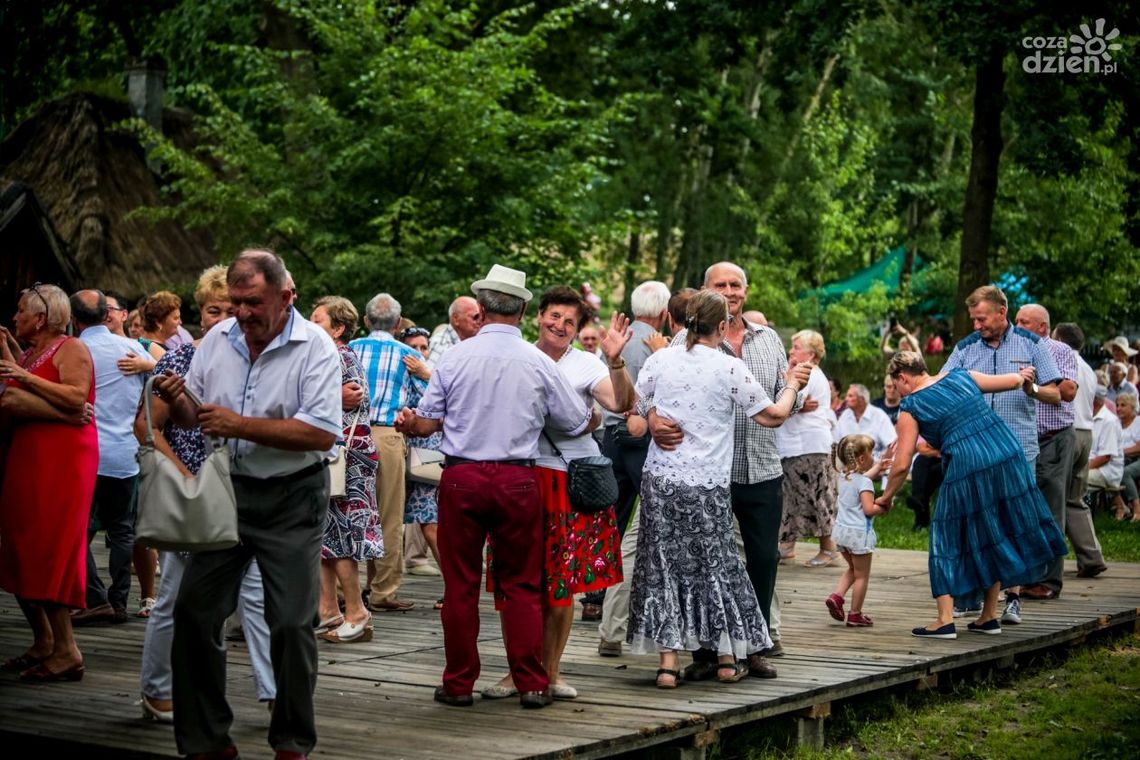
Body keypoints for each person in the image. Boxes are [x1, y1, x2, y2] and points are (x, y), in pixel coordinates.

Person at [155, 249, 341, 759]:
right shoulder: (216, 339)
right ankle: (207, 741)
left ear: (286, 297)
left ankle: (291, 741)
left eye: (252, 302)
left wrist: (237, 424)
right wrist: (178, 401)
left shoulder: (315, 347)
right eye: (233, 301)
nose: (241, 312)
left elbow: (321, 434)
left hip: (292, 497)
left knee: (289, 623)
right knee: (193, 613)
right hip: (227, 493)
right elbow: (198, 419)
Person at [395, 263, 597, 709]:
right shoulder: (538, 361)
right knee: (523, 583)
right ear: (524, 310)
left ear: (481, 310)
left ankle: (459, 682)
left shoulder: (454, 358)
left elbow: (429, 420)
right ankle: (530, 682)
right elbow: (575, 419)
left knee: (460, 585)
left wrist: (412, 424)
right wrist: (594, 418)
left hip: (462, 477)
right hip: (518, 479)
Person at [628, 290, 811, 687]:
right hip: (708, 483)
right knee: (719, 566)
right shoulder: (729, 368)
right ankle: (728, 658)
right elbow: (774, 416)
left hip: (660, 481)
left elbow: (635, 416)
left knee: (663, 567)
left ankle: (667, 665)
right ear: (723, 326)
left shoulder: (660, 360)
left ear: (683, 323)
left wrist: (655, 415)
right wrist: (794, 384)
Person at [133, 265, 276, 723]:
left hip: (243, 490)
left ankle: (274, 691)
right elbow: (147, 427)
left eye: (232, 309)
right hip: (194, 493)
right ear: (199, 312)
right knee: (175, 593)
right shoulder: (179, 360)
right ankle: (157, 689)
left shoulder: (254, 360)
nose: (223, 318)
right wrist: (183, 477)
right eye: (214, 310)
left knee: (256, 594)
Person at [483, 286, 632, 701]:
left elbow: (621, 403)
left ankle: (550, 671)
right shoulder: (516, 355)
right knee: (517, 580)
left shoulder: (586, 363)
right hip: (522, 476)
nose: (561, 326)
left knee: (560, 583)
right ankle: (517, 673)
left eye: (570, 321)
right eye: (554, 317)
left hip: (568, 483)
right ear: (538, 317)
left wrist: (616, 359)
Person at [876, 352, 1067, 640]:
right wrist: (1025, 374)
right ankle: (989, 616)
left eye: (896, 383)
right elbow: (1014, 380)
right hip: (1005, 452)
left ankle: (944, 620)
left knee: (946, 534)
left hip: (968, 464)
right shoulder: (963, 376)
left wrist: (887, 496)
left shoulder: (911, 406)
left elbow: (902, 463)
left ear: (903, 377)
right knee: (994, 530)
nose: (898, 389)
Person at [940, 285, 1061, 620]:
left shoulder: (1032, 344)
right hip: (975, 451)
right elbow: (942, 384)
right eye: (974, 320)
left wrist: (1031, 387)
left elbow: (1056, 394)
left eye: (981, 319)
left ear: (1001, 312)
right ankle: (978, 597)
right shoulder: (965, 348)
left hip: (1018, 448)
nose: (977, 326)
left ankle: (1013, 598)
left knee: (1015, 522)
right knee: (979, 521)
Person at [0, 283, 95, 682]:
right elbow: (11, 394)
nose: (15, 316)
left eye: (21, 311)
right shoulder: (32, 352)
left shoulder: (70, 348)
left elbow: (76, 397)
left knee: (49, 547)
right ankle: (43, 641)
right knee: (21, 544)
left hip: (62, 460)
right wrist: (13, 360)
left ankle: (67, 649)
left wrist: (22, 377)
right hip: (30, 456)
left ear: (41, 318)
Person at [595, 280, 670, 656]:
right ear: (663, 312)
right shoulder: (661, 347)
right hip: (644, 439)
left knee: (613, 519)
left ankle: (596, 596)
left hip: (611, 437)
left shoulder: (616, 339)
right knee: (653, 523)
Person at [70, 290, 147, 626]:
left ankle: (95, 597)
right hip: (125, 453)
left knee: (78, 529)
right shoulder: (132, 349)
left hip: (86, 453)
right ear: (106, 315)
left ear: (74, 319)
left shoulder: (74, 350)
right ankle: (117, 602)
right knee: (122, 530)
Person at [311, 296, 384, 643]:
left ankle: (356, 610)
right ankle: (329, 611)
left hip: (344, 457)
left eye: (318, 320)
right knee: (326, 534)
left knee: (339, 534)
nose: (310, 326)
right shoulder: (331, 355)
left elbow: (353, 398)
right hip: (335, 455)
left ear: (338, 328)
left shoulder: (338, 356)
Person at [349, 293, 426, 613]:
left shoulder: (349, 349)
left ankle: (344, 590)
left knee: (350, 509)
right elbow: (426, 401)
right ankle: (382, 591)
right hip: (389, 436)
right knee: (389, 514)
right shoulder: (409, 355)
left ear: (366, 321)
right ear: (398, 324)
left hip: (352, 433)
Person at [1014, 304, 1079, 602]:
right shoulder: (1010, 349)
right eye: (1015, 320)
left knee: (1051, 509)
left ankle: (1049, 581)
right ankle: (1023, 579)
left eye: (1024, 322)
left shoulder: (1059, 350)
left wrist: (1034, 383)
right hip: (1023, 440)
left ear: (1042, 327)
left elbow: (1066, 392)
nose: (1017, 325)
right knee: (1023, 509)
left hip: (1054, 439)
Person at [1051, 322, 1107, 577]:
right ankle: (1091, 555)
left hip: (1067, 433)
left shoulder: (1060, 362)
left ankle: (1051, 565)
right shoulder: (1089, 369)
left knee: (1056, 498)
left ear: (1059, 338)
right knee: (1076, 498)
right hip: (1087, 432)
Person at [776, 330, 837, 567]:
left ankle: (829, 548)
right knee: (793, 496)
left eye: (796, 347)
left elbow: (787, 401)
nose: (791, 351)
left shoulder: (807, 373)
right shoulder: (805, 373)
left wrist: (792, 397)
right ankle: (786, 545)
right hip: (798, 445)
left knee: (816, 495)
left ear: (810, 354)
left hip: (807, 445)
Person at [397, 325, 445, 604]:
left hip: (428, 453)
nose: (419, 353)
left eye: (423, 347)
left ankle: (454, 586)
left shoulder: (433, 373)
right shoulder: (399, 375)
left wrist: (425, 372)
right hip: (400, 449)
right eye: (413, 348)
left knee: (430, 521)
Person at [825, 434, 891, 628]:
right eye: (872, 453)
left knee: (853, 569)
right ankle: (855, 614)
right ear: (862, 459)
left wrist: (877, 468)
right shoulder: (865, 483)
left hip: (842, 533)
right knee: (862, 575)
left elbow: (860, 480)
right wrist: (884, 507)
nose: (874, 457)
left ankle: (837, 597)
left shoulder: (843, 477)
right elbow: (869, 510)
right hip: (858, 535)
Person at [834, 384, 897, 461]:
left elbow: (892, 445)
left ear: (861, 399)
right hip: (849, 466)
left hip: (875, 465)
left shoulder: (878, 416)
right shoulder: (845, 415)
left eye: (850, 396)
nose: (846, 399)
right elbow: (836, 443)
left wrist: (880, 467)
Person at [427, 295, 482, 368]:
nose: (480, 321)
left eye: (481, 317)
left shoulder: (476, 342)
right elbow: (430, 376)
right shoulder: (441, 343)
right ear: (456, 319)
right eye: (475, 317)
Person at [1087, 386, 1124, 496]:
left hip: (1107, 471)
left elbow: (1105, 457)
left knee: (1076, 479)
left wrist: (1081, 469)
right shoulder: (1089, 416)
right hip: (1094, 466)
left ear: (1094, 400)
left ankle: (1078, 511)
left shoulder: (1110, 421)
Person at [1111, 392, 1140, 521]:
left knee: (1124, 473)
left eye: (1123, 405)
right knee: (1108, 472)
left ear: (1132, 407)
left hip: (1137, 458)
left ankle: (1137, 510)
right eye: (1117, 405)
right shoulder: (1116, 423)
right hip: (1123, 459)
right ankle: (1121, 505)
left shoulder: (1138, 421)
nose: (1118, 408)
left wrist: (1119, 453)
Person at [141, 290, 184, 356]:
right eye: (176, 318)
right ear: (159, 322)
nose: (180, 322)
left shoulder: (140, 343)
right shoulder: (156, 352)